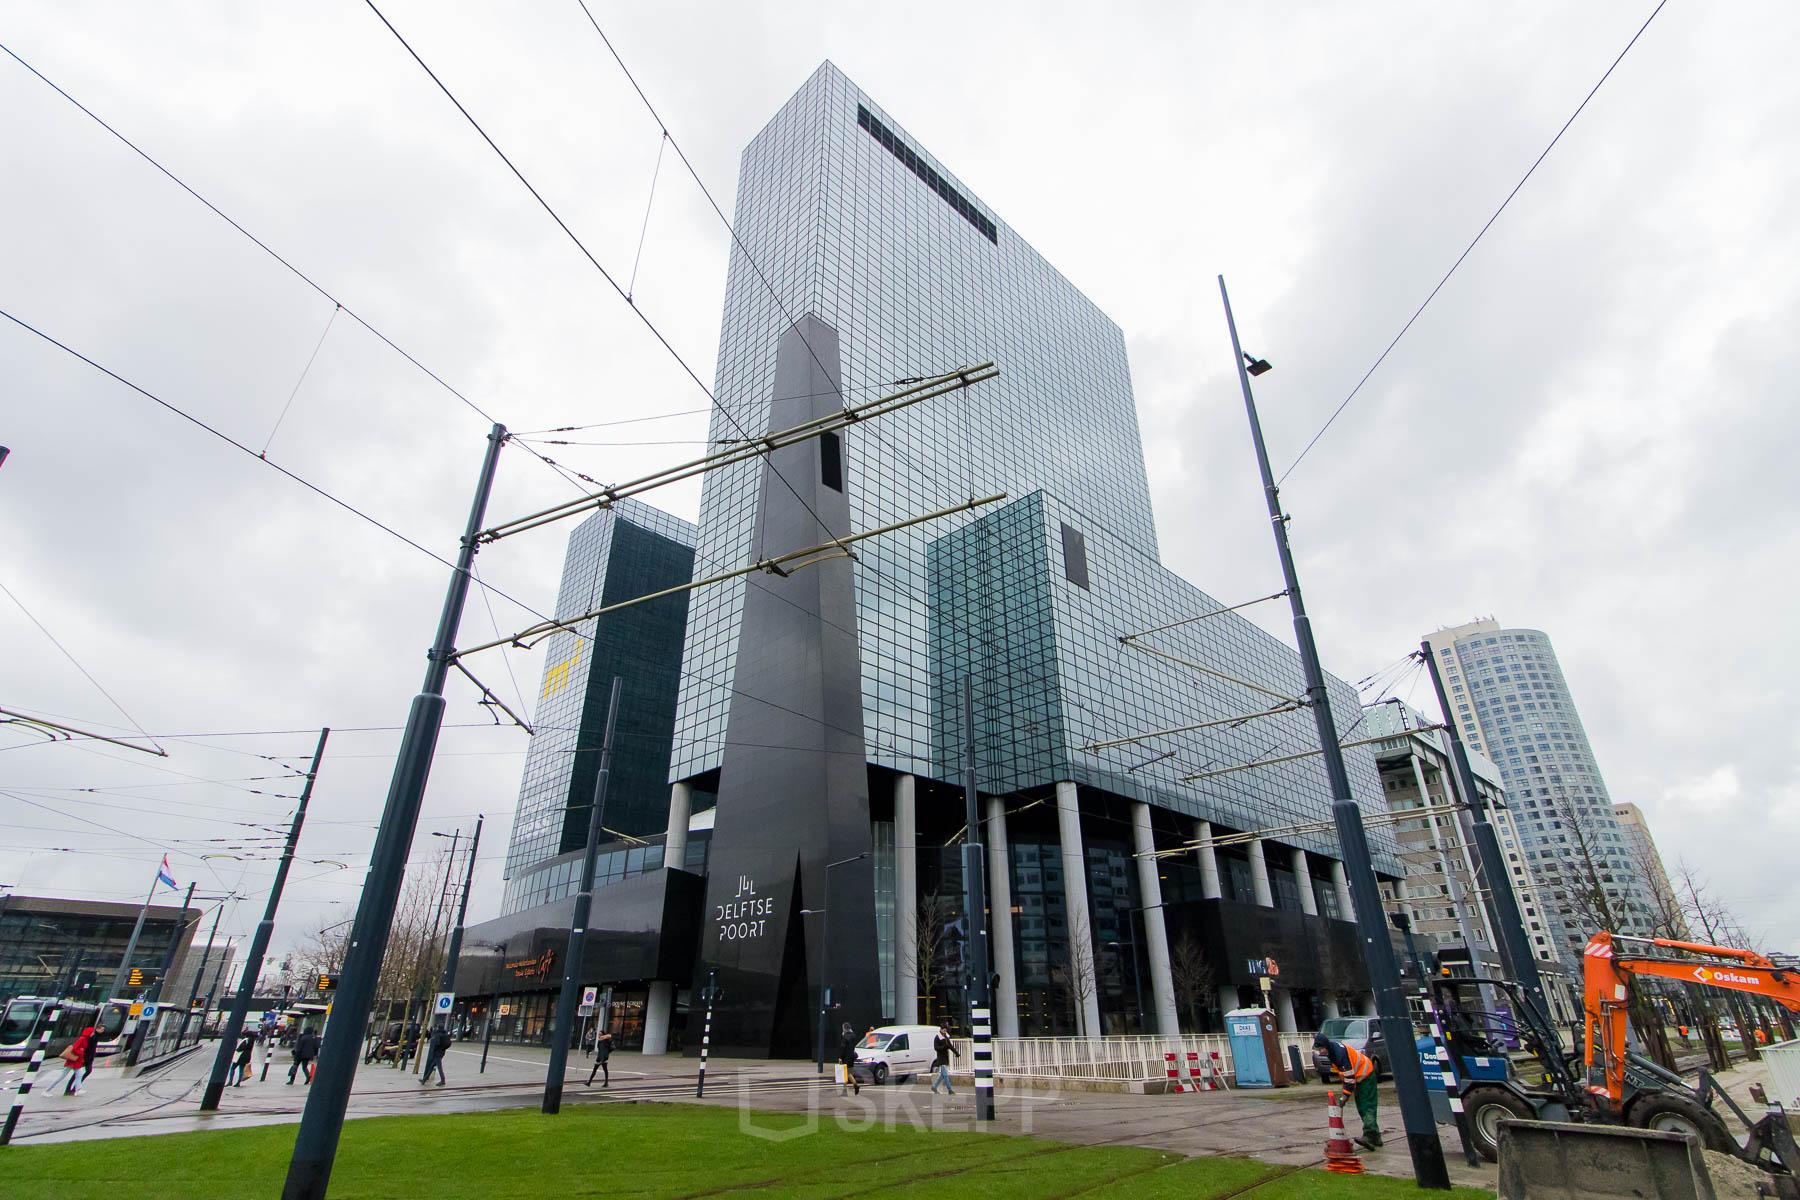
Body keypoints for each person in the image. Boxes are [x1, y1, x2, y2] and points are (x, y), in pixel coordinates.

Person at [1315, 1033, 1380, 1150]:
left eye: (1321, 1048)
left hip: (1365, 1074)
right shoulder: (1332, 1051)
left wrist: (1344, 1097)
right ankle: (1376, 1137)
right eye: (1318, 1049)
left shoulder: (1339, 1054)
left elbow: (1349, 1079)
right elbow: (1344, 1075)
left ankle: (1370, 1136)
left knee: (1367, 1105)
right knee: (1361, 1105)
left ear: (1326, 1046)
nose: (1320, 1052)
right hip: (1359, 1075)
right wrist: (1344, 1092)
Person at [50, 1028, 95, 1096]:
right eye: (92, 1032)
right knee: (61, 1077)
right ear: (89, 1032)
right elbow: (74, 1048)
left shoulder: (86, 1039)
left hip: (77, 1061)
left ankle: (78, 1090)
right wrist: (81, 1051)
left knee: (79, 1075)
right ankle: (47, 1090)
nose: (93, 1033)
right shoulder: (82, 1039)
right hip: (72, 1062)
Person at [930, 1024, 959, 1096]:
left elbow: (950, 1046)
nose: (945, 1031)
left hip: (945, 1058)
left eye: (946, 1030)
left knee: (942, 1075)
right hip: (941, 1058)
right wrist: (944, 1047)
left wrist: (956, 1053)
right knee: (945, 1075)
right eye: (944, 1030)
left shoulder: (946, 1036)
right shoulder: (937, 1037)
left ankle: (934, 1087)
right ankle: (950, 1090)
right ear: (940, 1029)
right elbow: (936, 1048)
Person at [836, 1023, 861, 1097]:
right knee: (848, 1073)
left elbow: (843, 1048)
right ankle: (855, 1085)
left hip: (845, 1057)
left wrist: (840, 1057)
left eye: (843, 1028)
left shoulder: (844, 1037)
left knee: (845, 1074)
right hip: (851, 1057)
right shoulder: (854, 1036)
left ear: (844, 1028)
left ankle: (845, 1091)